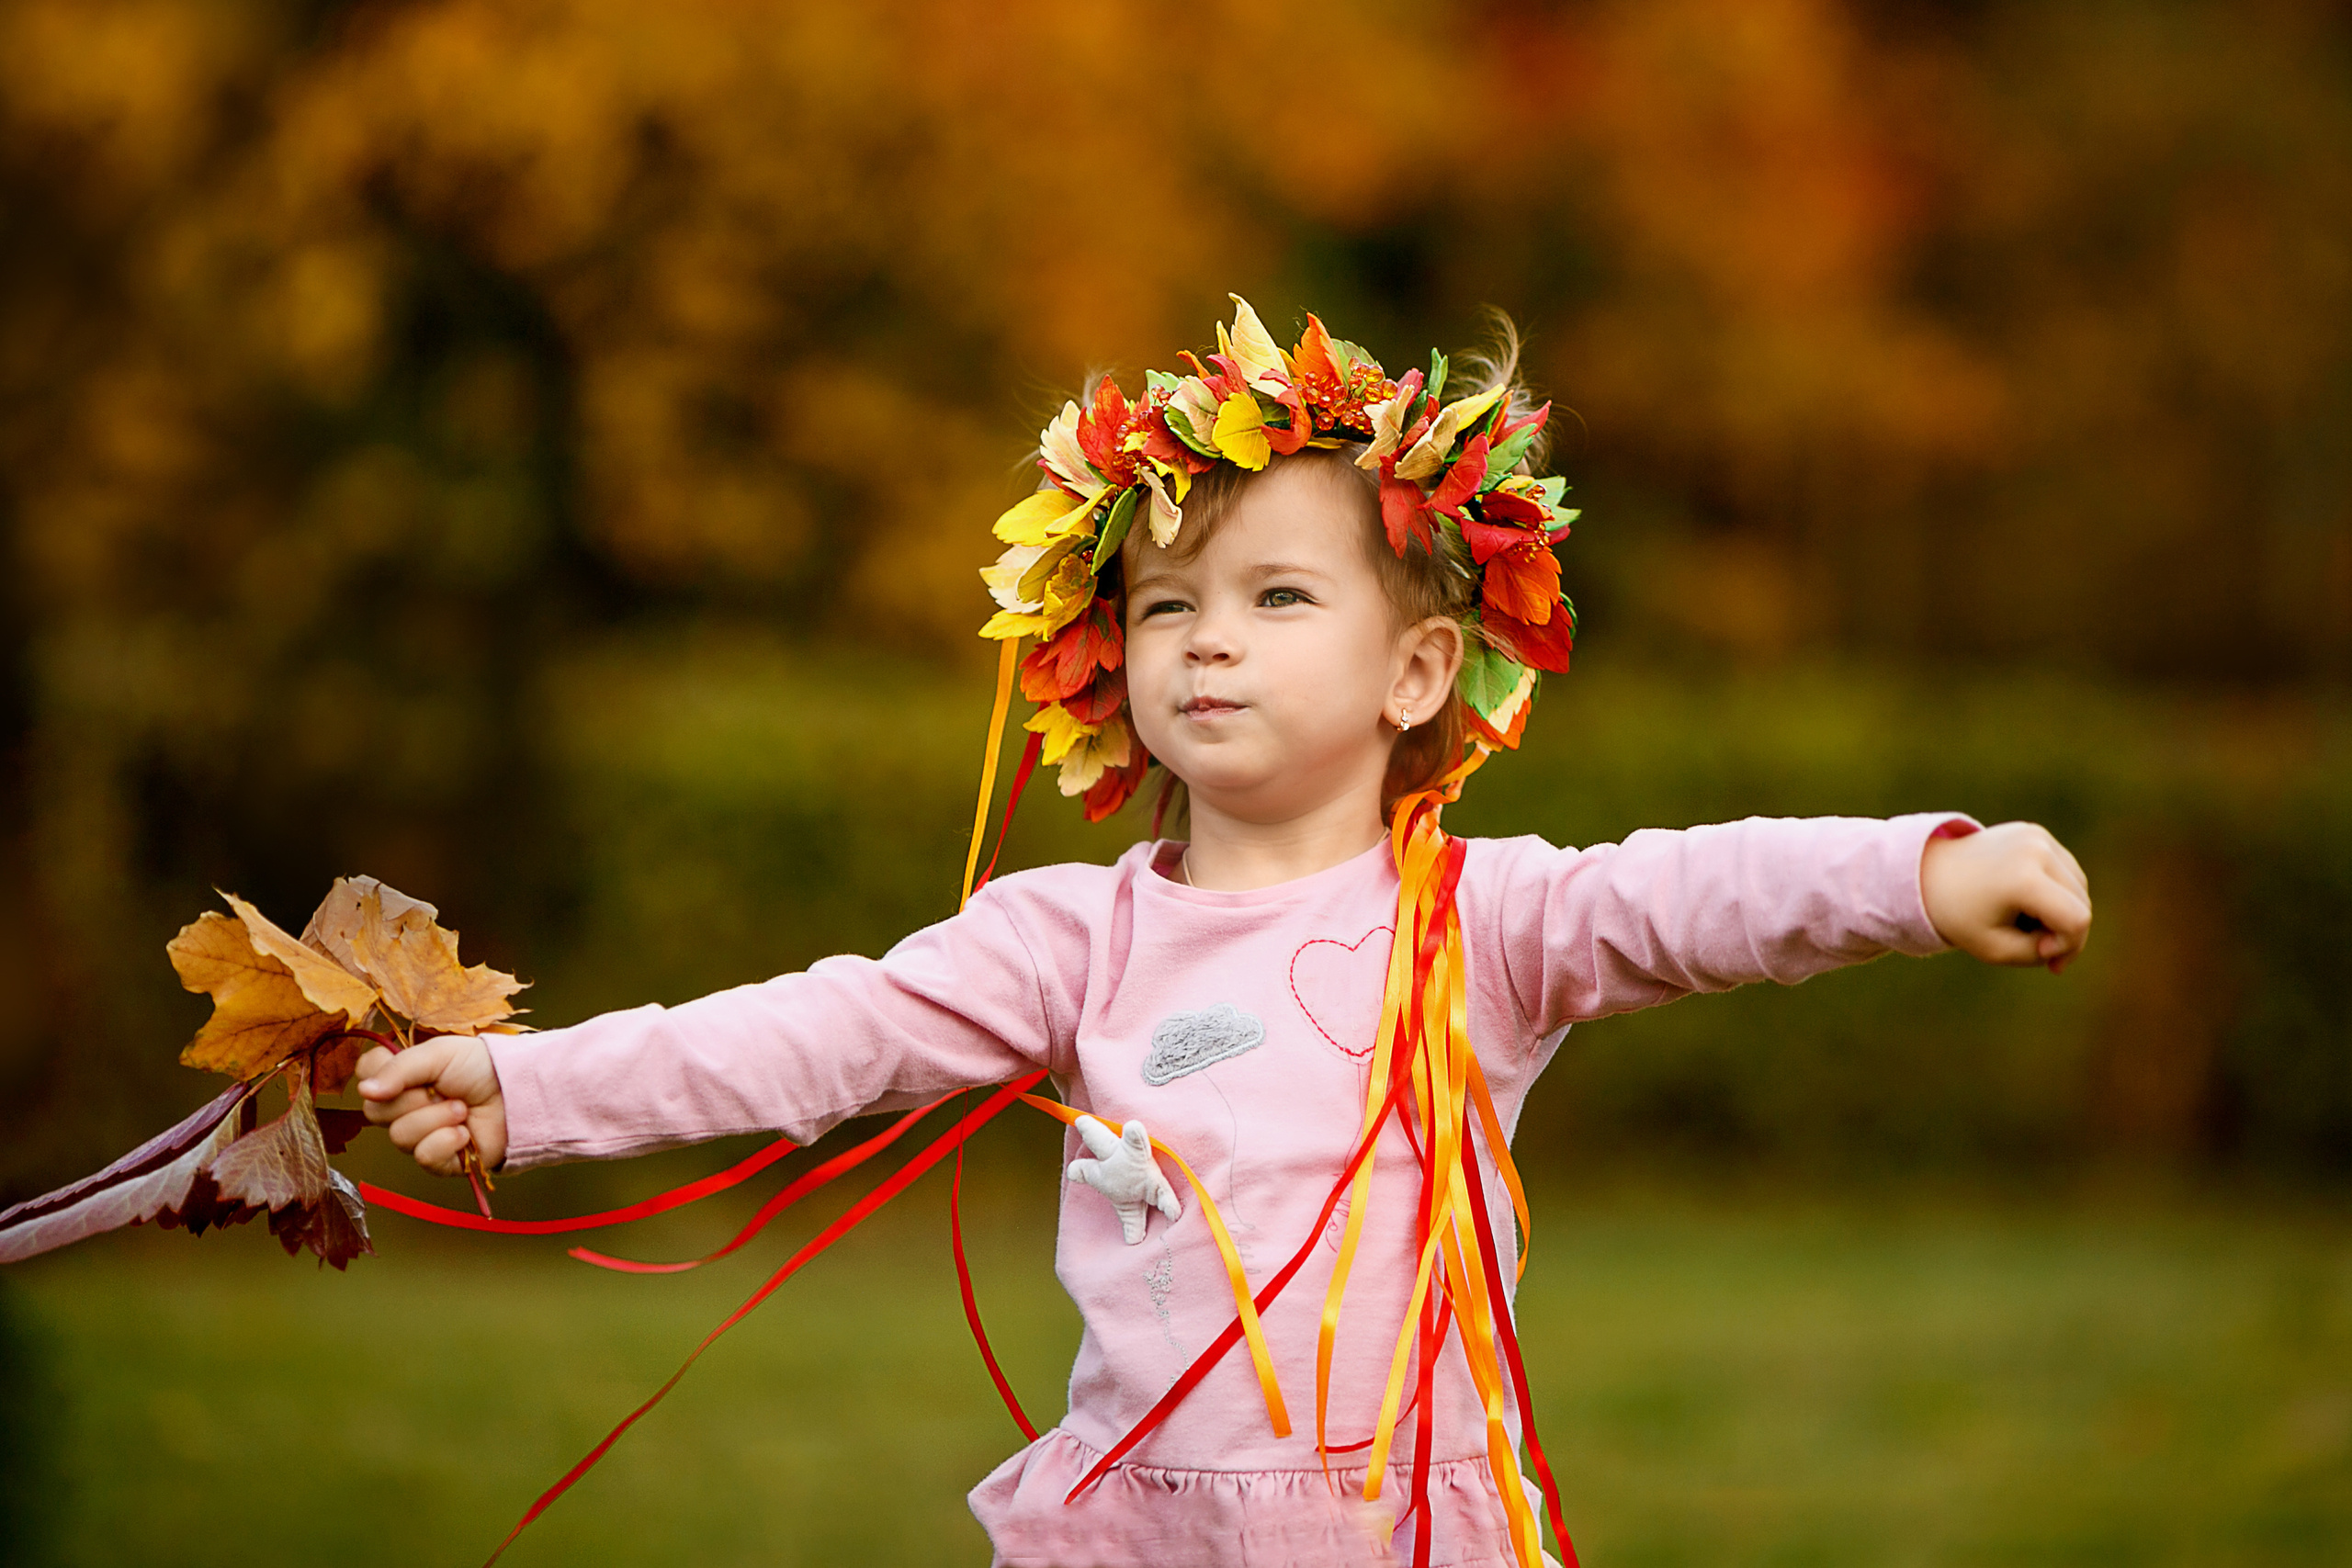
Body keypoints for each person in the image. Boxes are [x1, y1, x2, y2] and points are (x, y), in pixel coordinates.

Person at [357, 299, 2091, 1568]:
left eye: (1276, 597)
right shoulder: (1066, 941)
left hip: (1397, 1531)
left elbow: (1709, 894)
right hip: (1124, 1536)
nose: (1206, 640)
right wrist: (534, 1088)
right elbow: (820, 1031)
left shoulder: (1484, 926)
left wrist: (1932, 872)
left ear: (1418, 671)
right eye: (1169, 602)